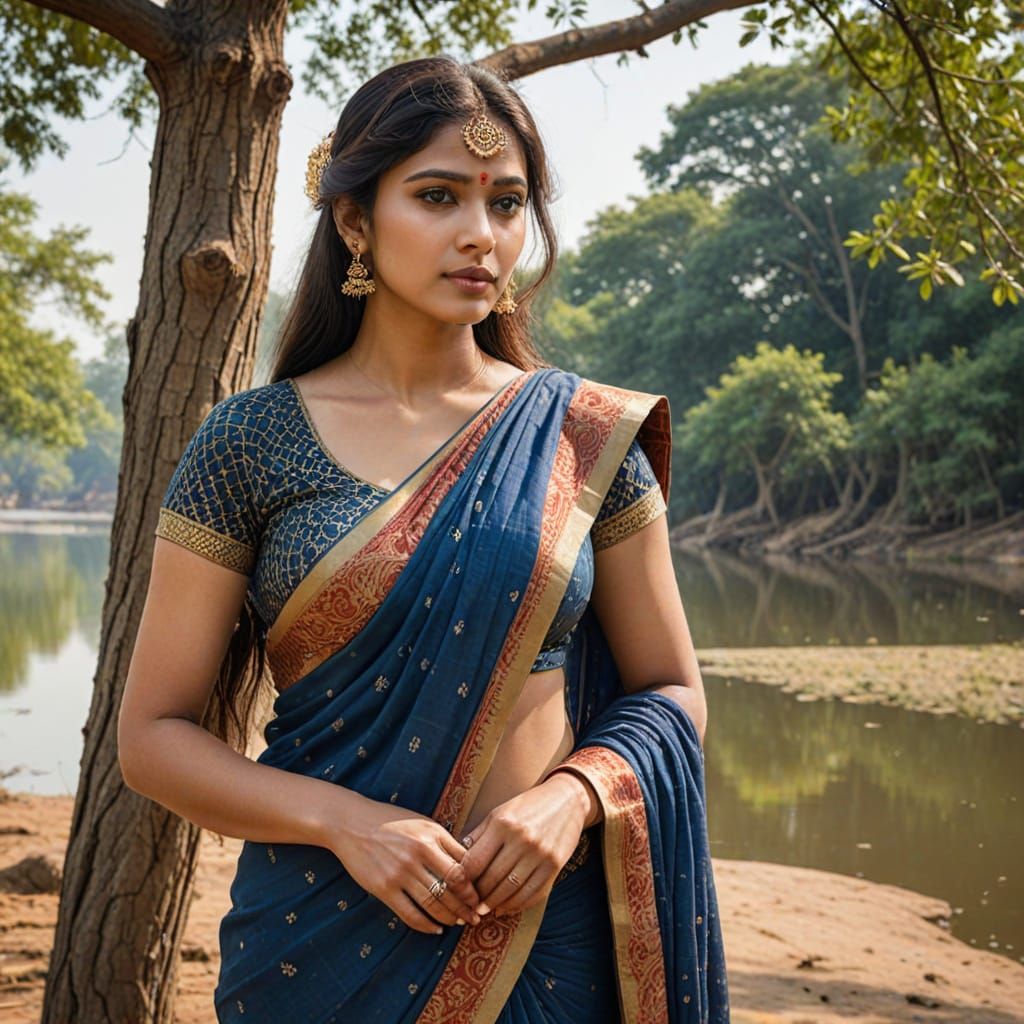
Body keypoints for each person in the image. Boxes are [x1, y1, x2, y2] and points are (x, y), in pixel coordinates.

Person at [118, 54, 729, 1023]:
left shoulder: (582, 439)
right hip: (316, 941)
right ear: (355, 221)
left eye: (507, 203)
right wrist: (347, 823)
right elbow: (151, 737)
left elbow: (672, 689)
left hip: (543, 933)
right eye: (438, 196)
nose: (480, 236)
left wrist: (570, 797)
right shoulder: (249, 442)